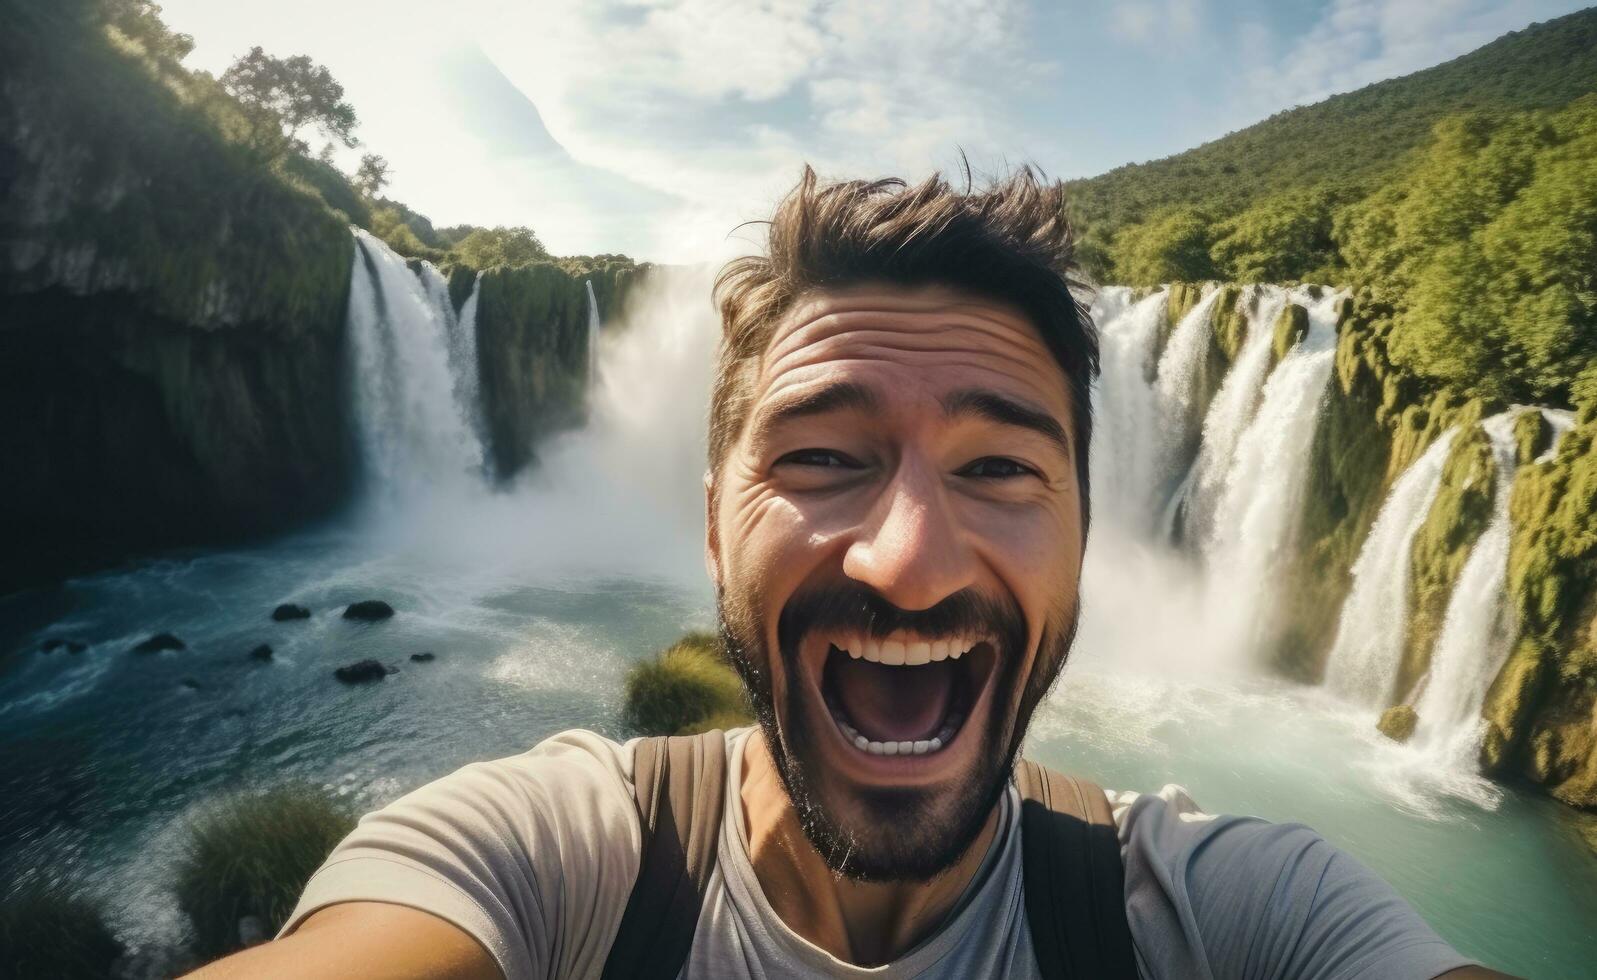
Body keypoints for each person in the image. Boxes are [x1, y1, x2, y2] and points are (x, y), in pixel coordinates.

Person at [190, 167, 1511, 979]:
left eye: (998, 470)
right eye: (822, 457)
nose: (909, 560)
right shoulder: (542, 865)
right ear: (712, 527)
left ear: (1084, 536)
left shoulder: (1235, 912)